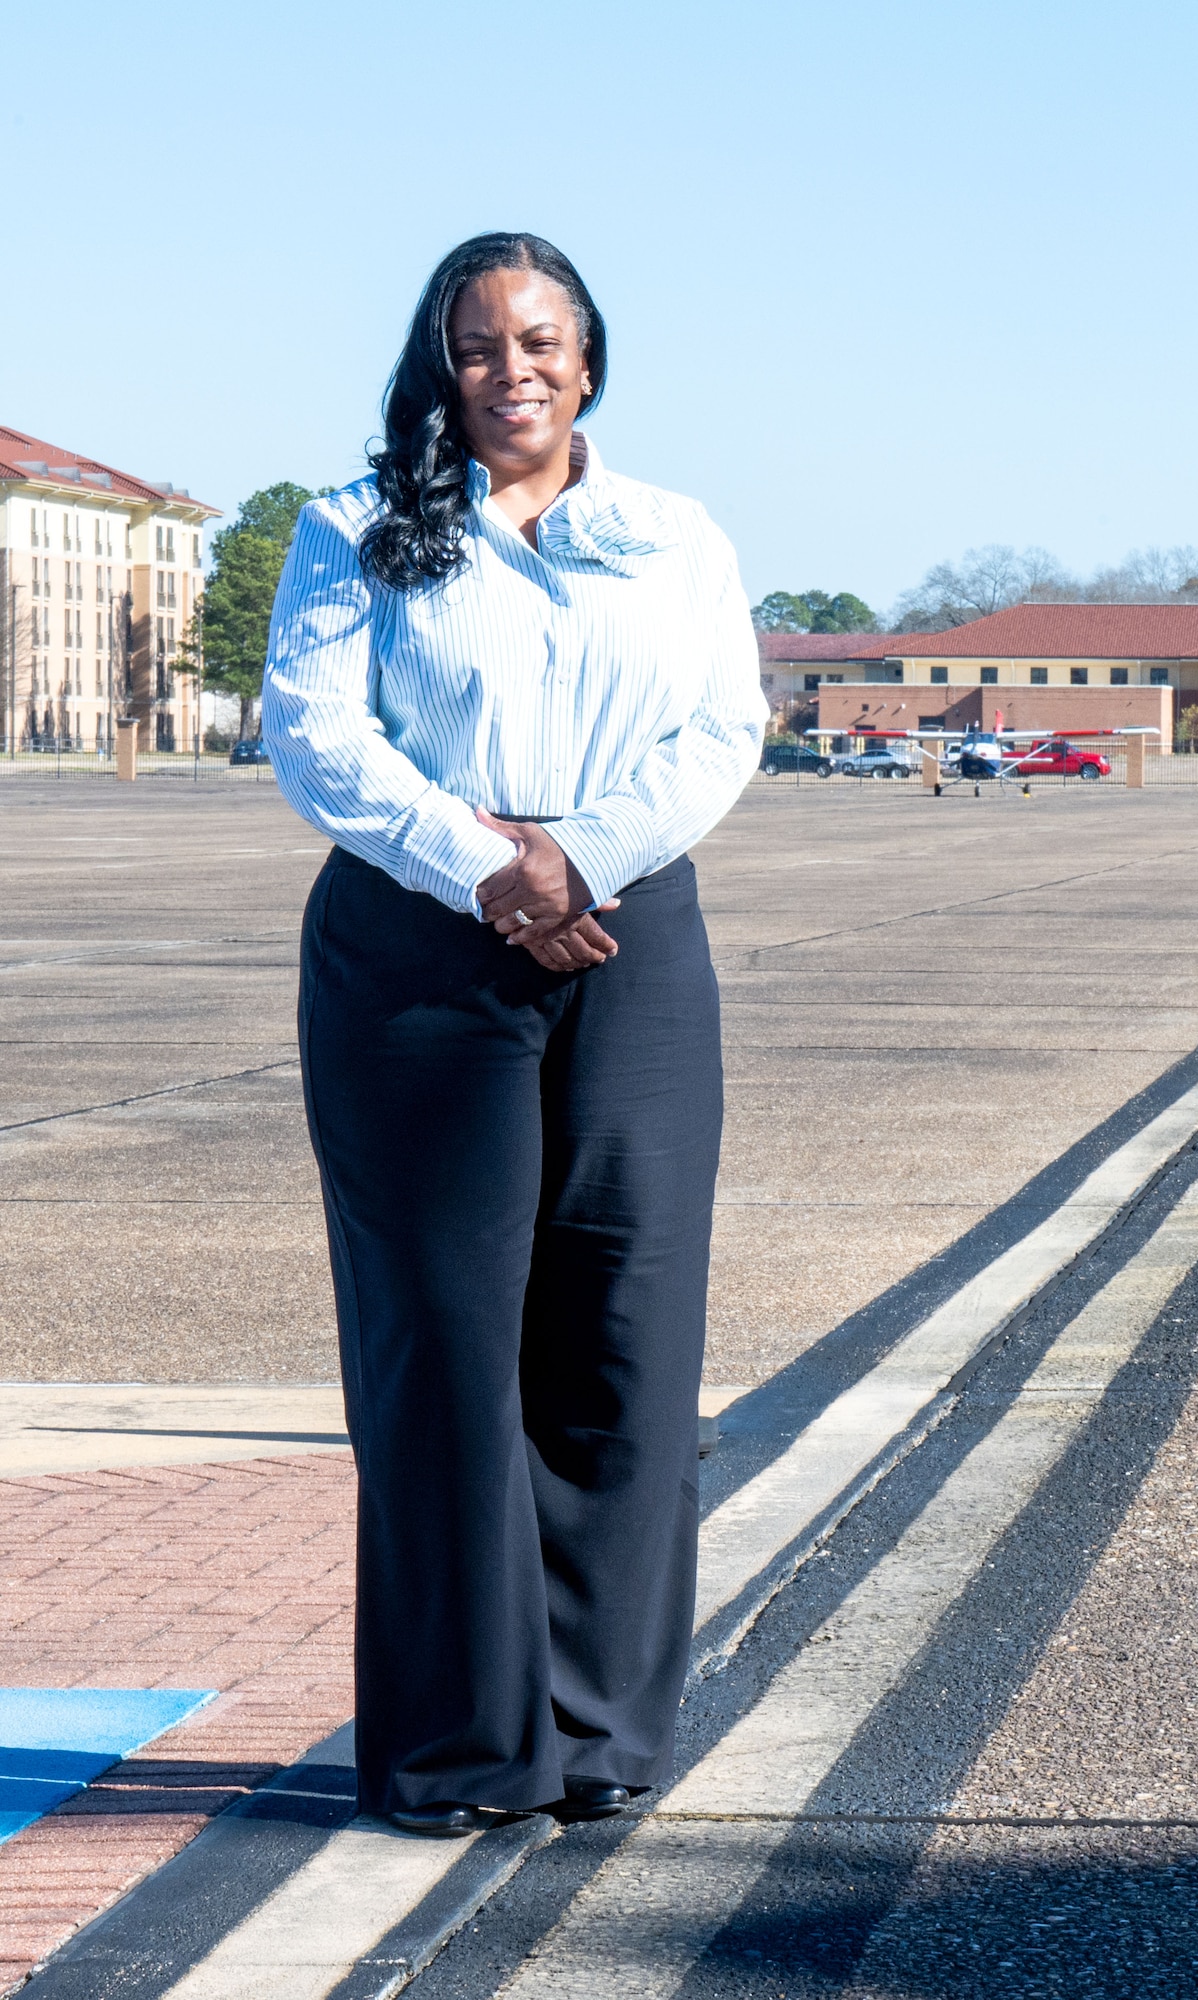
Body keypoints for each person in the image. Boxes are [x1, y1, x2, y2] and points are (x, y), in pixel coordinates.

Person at [263, 232, 765, 1831]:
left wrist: (576, 858)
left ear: (590, 359)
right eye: (477, 348)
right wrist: (493, 865)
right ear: (440, 367)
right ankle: (459, 1747)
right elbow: (318, 738)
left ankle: (600, 1731)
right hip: (417, 950)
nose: (512, 371)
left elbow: (722, 730)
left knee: (624, 1336)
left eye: (540, 342)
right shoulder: (355, 529)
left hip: (628, 944)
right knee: (445, 1352)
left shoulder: (676, 539)